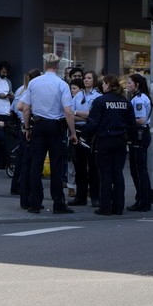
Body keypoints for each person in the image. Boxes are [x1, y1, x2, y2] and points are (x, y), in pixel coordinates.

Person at [20, 53, 77, 214]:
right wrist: (72, 132)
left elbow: (25, 108)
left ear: (45, 65)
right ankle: (58, 203)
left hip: (38, 126)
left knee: (35, 165)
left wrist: (27, 128)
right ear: (57, 67)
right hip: (55, 128)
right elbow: (68, 111)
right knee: (57, 166)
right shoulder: (62, 84)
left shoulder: (34, 83)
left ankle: (35, 203)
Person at [83, 75, 136, 215]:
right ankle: (118, 207)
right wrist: (132, 139)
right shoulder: (125, 102)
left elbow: (93, 122)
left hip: (105, 140)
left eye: (104, 84)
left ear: (107, 85)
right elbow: (132, 124)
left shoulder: (100, 101)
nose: (102, 86)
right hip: (120, 141)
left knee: (105, 174)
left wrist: (83, 135)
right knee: (118, 174)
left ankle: (105, 207)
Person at [69, 70, 102, 207]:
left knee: (93, 166)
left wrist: (79, 113)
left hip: (92, 132)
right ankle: (80, 197)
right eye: (84, 78)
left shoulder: (98, 97)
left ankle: (95, 196)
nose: (86, 80)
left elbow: (94, 115)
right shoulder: (77, 96)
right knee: (79, 165)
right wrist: (83, 114)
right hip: (78, 130)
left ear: (94, 80)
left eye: (89, 78)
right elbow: (70, 113)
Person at [10, 68, 41, 204]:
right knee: (28, 162)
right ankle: (24, 194)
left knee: (22, 161)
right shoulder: (30, 90)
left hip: (22, 125)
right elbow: (20, 107)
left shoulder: (22, 89)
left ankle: (17, 187)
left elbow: (14, 107)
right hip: (28, 126)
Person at [125, 73, 153, 212]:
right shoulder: (139, 97)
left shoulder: (138, 100)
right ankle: (143, 199)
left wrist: (125, 120)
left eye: (129, 82)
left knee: (138, 170)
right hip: (141, 134)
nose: (127, 85)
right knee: (139, 169)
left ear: (137, 84)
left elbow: (140, 120)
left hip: (139, 135)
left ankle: (143, 201)